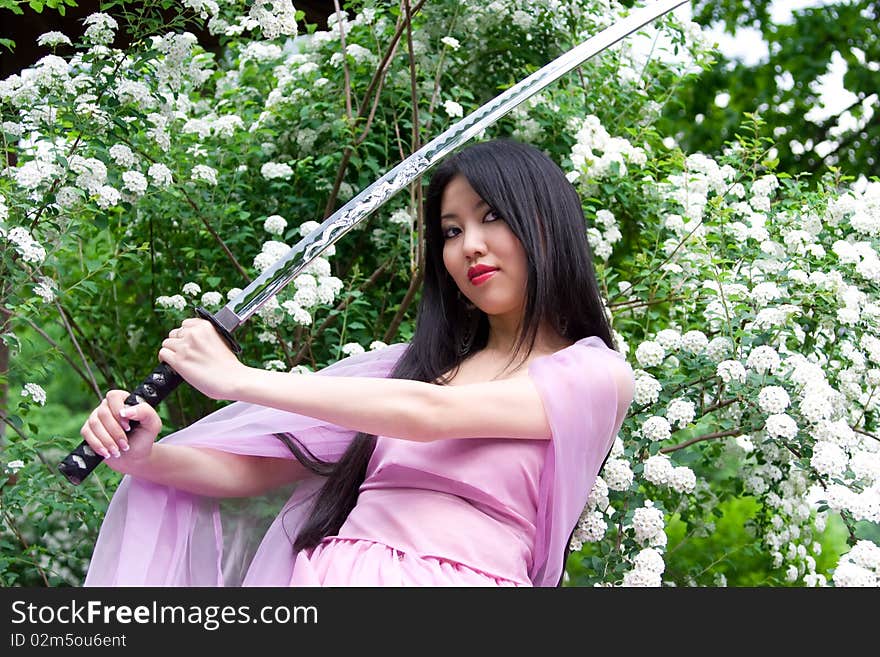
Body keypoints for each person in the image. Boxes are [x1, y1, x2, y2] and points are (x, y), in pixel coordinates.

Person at [80, 139, 634, 587]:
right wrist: (145, 457)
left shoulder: (594, 376)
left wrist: (237, 380)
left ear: (547, 224)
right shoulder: (410, 371)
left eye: (491, 217)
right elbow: (250, 470)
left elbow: (431, 414)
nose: (469, 245)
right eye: (452, 230)